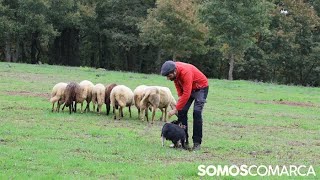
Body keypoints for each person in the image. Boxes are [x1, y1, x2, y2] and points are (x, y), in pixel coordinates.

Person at [160, 60, 209, 151]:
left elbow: (187, 93)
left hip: (201, 88)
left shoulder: (185, 72)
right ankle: (183, 140)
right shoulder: (175, 74)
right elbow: (179, 88)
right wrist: (179, 103)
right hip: (189, 89)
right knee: (182, 112)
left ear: (174, 71)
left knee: (197, 113)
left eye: (169, 76)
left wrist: (175, 109)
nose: (168, 78)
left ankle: (197, 143)